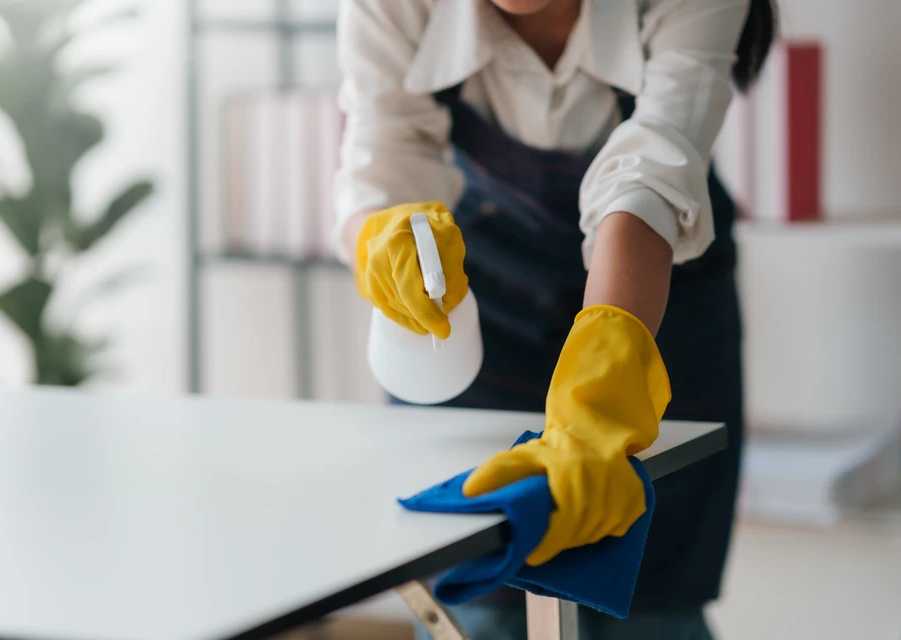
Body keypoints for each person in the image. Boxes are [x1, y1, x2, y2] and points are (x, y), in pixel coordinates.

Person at [331, 0, 775, 638]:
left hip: (651, 315)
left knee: (650, 611)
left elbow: (649, 177)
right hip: (476, 309)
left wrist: (602, 390)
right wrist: (379, 234)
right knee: (480, 604)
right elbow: (381, 151)